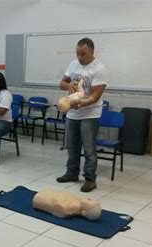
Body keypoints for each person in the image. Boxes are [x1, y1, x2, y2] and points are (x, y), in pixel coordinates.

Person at [57, 38, 108, 192]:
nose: (79, 57)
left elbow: (94, 97)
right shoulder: (73, 64)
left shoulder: (99, 68)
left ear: (92, 52)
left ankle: (90, 179)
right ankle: (72, 173)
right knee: (71, 146)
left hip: (90, 114)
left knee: (89, 148)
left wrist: (78, 104)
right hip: (73, 114)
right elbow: (61, 83)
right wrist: (68, 85)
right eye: (77, 53)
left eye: (83, 54)